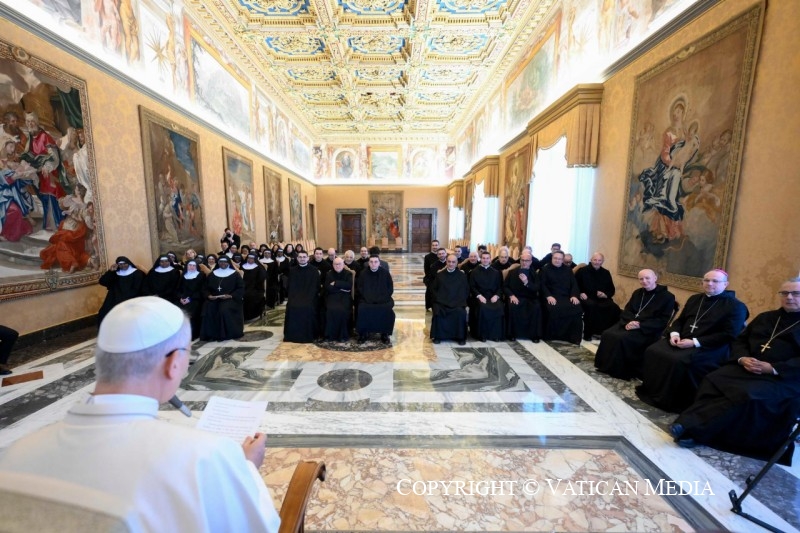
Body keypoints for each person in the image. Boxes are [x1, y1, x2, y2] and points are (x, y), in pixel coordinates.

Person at [0, 297, 280, 531]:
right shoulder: (204, 458)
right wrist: (246, 468)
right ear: (173, 364)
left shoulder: (17, 453)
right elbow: (259, 525)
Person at [670, 279, 800, 465]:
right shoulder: (766, 317)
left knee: (746, 394)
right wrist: (742, 358)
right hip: (748, 367)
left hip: (783, 378)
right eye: (784, 293)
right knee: (714, 378)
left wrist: (772, 368)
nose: (789, 297)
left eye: (795, 294)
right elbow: (740, 340)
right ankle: (691, 426)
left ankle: (695, 430)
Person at [636, 269, 748, 412]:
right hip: (683, 339)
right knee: (653, 350)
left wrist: (694, 342)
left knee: (677, 360)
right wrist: (674, 334)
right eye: (706, 280)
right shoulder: (695, 299)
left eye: (715, 281)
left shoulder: (736, 306)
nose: (709, 284)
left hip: (711, 346)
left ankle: (671, 400)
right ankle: (653, 392)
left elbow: (729, 334)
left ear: (726, 284)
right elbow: (680, 320)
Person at [594, 269, 676, 380]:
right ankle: (606, 366)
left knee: (621, 338)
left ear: (655, 278)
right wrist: (630, 322)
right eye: (641, 279)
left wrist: (640, 325)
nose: (644, 281)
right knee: (607, 334)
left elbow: (662, 320)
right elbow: (628, 310)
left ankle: (620, 370)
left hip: (648, 329)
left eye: (647, 278)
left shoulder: (667, 297)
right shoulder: (638, 292)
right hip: (630, 323)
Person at [575, 253, 621, 341]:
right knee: (592, 306)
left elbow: (611, 289)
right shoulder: (582, 271)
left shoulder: (606, 273)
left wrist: (605, 294)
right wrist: (580, 293)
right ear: (591, 260)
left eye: (599, 260)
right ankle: (589, 333)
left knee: (614, 307)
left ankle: (606, 332)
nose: (597, 262)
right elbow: (575, 285)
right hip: (586, 297)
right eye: (595, 260)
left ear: (602, 261)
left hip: (601, 298)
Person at [539, 251, 583, 344]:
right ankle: (551, 336)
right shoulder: (545, 269)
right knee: (553, 307)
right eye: (555, 258)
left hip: (566, 297)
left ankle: (571, 337)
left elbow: (574, 284)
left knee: (576, 308)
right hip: (551, 296)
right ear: (552, 258)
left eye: (559, 259)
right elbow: (542, 285)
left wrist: (574, 296)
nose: (557, 260)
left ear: (562, 260)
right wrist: (548, 296)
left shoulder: (568, 270)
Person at [200, 256, 245, 341]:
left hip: (231, 299)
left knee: (223, 309)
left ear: (228, 263)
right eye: (221, 262)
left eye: (225, 262)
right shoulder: (212, 274)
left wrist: (231, 295)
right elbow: (205, 288)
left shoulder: (235, 274)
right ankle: (210, 334)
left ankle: (225, 334)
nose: (223, 264)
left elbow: (241, 288)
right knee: (208, 307)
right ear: (218, 263)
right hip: (214, 298)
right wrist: (208, 295)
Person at [430, 253, 469, 345]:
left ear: (456, 263)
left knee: (460, 312)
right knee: (438, 311)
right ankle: (438, 336)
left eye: (453, 262)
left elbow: (465, 291)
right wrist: (440, 301)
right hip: (442, 303)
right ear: (446, 262)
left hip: (457, 303)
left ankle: (460, 337)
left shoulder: (462, 276)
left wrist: (457, 302)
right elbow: (434, 290)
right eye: (449, 262)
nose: (451, 264)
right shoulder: (440, 275)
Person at [355, 255, 395, 344]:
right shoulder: (363, 273)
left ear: (379, 263)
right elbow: (360, 288)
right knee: (362, 308)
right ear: (368, 263)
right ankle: (363, 333)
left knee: (386, 308)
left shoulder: (385, 273)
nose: (373, 264)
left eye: (375, 262)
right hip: (367, 299)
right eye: (371, 262)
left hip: (382, 299)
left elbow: (390, 288)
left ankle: (384, 333)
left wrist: (382, 298)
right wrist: (369, 298)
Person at [283, 250, 321, 343]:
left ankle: (309, 335)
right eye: (300, 257)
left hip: (309, 297)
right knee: (292, 307)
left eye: (304, 257)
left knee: (308, 307)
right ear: (297, 258)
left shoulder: (314, 270)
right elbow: (290, 286)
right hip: (295, 297)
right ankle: (292, 335)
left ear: (308, 258)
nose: (302, 259)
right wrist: (293, 298)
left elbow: (316, 287)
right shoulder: (292, 270)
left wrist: (309, 298)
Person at [504, 252, 542, 342]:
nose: (524, 262)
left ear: (531, 262)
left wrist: (526, 282)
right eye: (523, 260)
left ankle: (534, 335)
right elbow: (505, 286)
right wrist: (511, 296)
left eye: (527, 261)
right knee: (513, 306)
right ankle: (512, 334)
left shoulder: (535, 274)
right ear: (520, 260)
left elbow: (536, 288)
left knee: (536, 307)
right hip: (516, 297)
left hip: (530, 298)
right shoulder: (512, 272)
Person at [468, 251, 505, 342]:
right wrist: (479, 296)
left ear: (490, 259)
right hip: (480, 297)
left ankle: (495, 335)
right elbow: (472, 286)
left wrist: (496, 296)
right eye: (483, 258)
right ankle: (482, 335)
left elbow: (500, 287)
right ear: (480, 259)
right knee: (482, 307)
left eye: (487, 258)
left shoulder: (496, 273)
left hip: (492, 297)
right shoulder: (474, 272)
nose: (485, 260)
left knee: (499, 306)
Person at [97, 256, 145, 325]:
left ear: (128, 263)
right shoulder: (115, 273)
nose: (123, 266)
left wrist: (125, 298)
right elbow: (102, 282)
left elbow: (137, 288)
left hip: (131, 298)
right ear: (118, 265)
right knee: (104, 312)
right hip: (114, 298)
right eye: (120, 264)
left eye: (125, 264)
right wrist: (110, 271)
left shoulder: (137, 273)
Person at [324, 258, 353, 342]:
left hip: (345, 297)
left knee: (343, 310)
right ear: (333, 265)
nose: (337, 266)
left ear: (343, 264)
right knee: (330, 310)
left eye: (339, 264)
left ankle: (343, 335)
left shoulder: (348, 274)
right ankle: (330, 335)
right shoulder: (329, 274)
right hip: (332, 296)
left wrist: (336, 283)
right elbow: (328, 287)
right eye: (335, 264)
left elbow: (348, 286)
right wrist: (341, 288)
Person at [177, 259, 205, 340]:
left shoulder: (201, 275)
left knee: (191, 313)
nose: (191, 267)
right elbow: (178, 289)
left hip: (196, 299)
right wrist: (180, 298)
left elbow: (201, 290)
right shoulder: (183, 276)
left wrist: (190, 299)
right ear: (187, 266)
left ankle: (192, 334)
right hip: (183, 299)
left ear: (196, 267)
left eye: (193, 265)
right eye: (190, 265)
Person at [241, 253, 267, 321]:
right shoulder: (243, 266)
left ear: (255, 259)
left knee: (250, 296)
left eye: (252, 258)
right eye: (249, 258)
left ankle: (252, 315)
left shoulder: (259, 267)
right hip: (243, 287)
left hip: (256, 288)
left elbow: (261, 279)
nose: (250, 260)